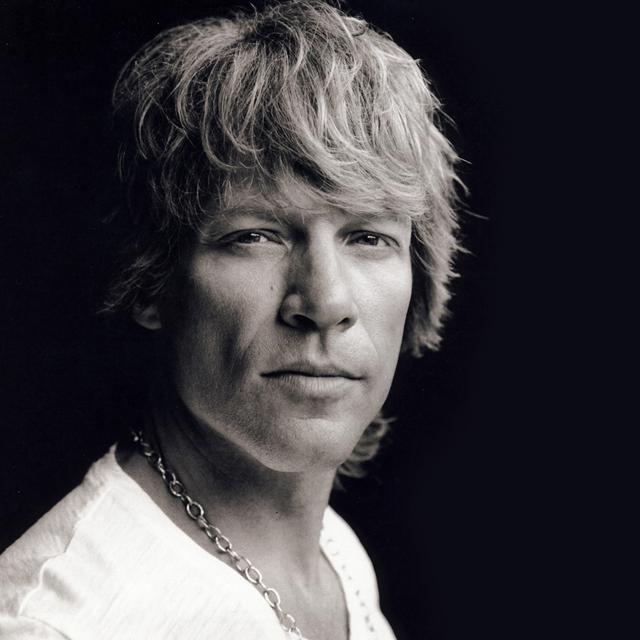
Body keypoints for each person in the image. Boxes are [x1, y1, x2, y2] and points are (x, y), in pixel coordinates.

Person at [0, 1, 461, 638]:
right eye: (255, 235)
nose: (325, 302)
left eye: (368, 237)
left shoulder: (335, 554)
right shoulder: (60, 623)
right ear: (151, 282)